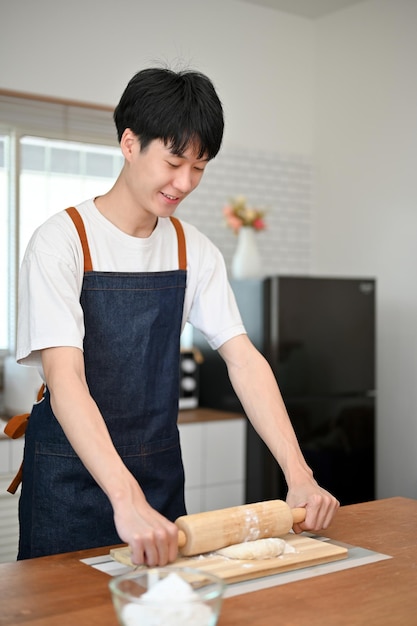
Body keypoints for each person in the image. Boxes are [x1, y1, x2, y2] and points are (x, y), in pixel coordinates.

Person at [15, 66, 339, 564]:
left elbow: (244, 361)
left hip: (158, 476)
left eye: (200, 167)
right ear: (129, 143)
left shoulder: (194, 251)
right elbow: (66, 378)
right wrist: (125, 498)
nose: (184, 182)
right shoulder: (61, 242)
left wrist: (300, 475)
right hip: (69, 480)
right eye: (173, 161)